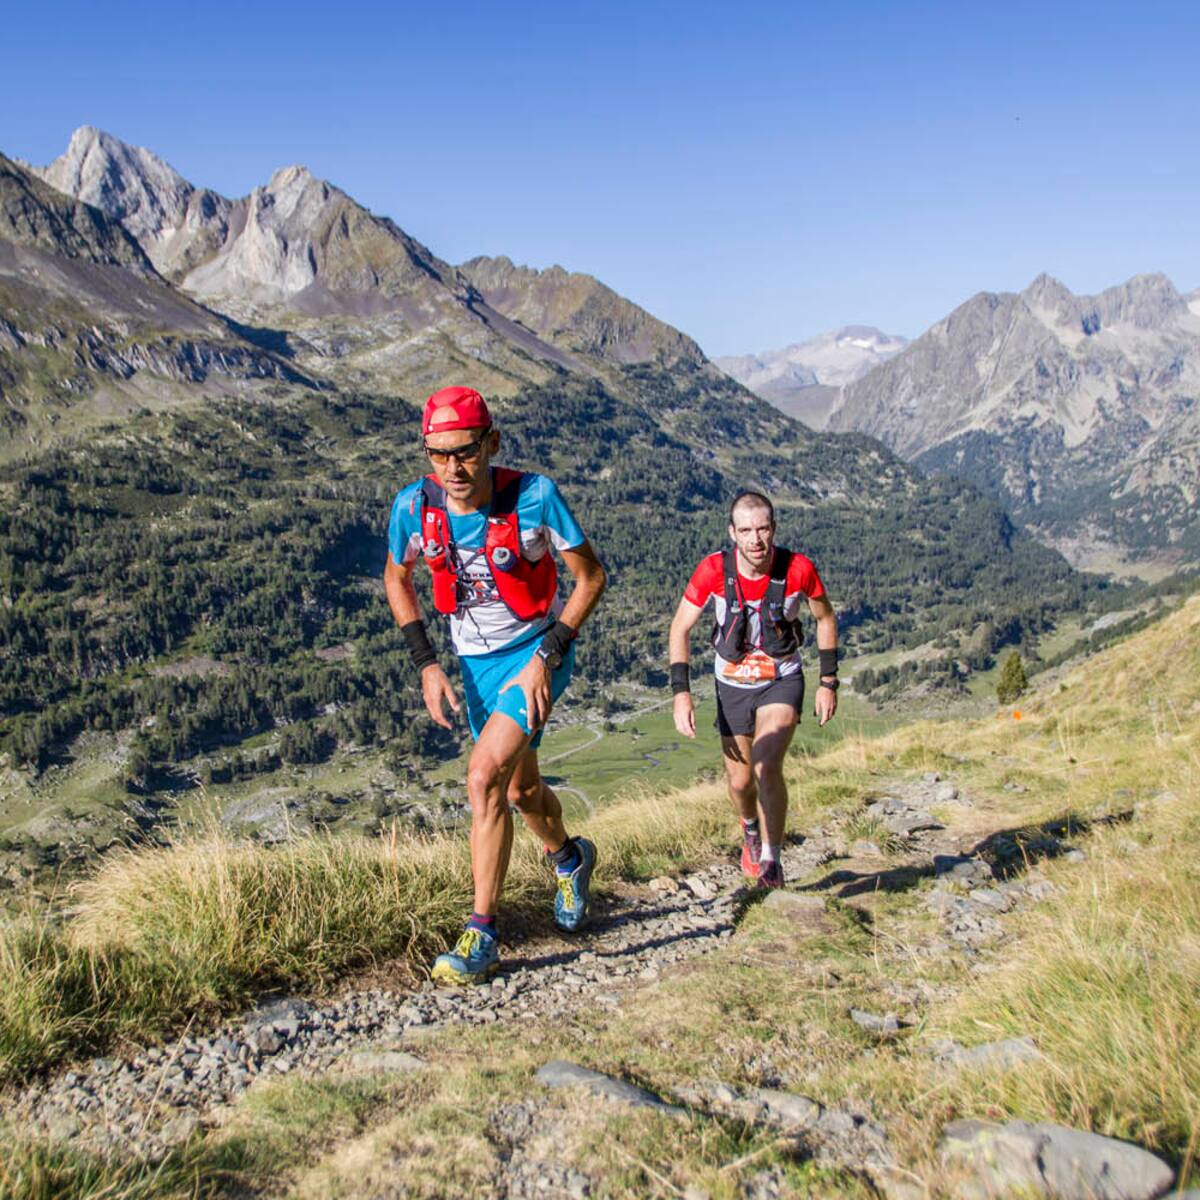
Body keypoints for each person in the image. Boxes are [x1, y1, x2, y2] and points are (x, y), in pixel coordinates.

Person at [384, 386, 607, 984]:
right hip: (472, 666)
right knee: (519, 794)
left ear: (492, 443)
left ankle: (481, 935)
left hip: (537, 654)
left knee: (483, 779)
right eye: (438, 454)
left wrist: (546, 656)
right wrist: (427, 663)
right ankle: (569, 858)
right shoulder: (413, 506)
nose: (453, 469)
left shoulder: (534, 498)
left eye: (466, 452)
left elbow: (590, 578)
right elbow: (396, 575)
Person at [668, 491, 838, 888]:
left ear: (774, 529)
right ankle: (750, 828)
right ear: (732, 533)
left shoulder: (799, 569)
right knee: (741, 783)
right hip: (731, 687)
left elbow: (825, 618)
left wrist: (828, 682)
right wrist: (682, 692)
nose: (755, 540)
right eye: (745, 530)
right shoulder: (712, 571)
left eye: (762, 529)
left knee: (766, 764)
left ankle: (772, 862)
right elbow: (681, 627)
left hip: (782, 678)